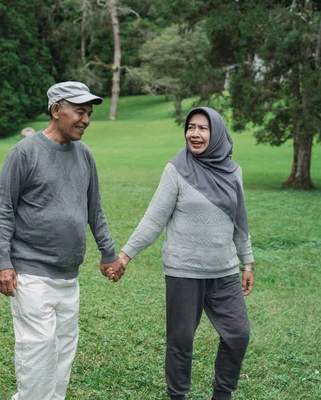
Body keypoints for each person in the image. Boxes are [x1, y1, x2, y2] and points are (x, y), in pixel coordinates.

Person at [105, 107, 254, 400]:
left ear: (217, 133)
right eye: (191, 127)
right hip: (183, 272)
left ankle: (222, 395)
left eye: (203, 128)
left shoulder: (233, 171)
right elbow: (153, 219)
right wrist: (125, 256)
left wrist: (246, 262)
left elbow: (240, 220)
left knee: (238, 335)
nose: (195, 134)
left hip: (223, 271)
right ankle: (177, 396)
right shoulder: (176, 169)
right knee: (181, 341)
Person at [0, 81, 124, 400]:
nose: (86, 120)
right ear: (55, 110)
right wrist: (2, 262)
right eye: (79, 112)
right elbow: (3, 209)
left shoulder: (85, 155)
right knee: (37, 356)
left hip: (69, 278)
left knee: (63, 357)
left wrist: (109, 253)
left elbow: (95, 209)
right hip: (31, 275)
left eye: (89, 113)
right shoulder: (23, 153)